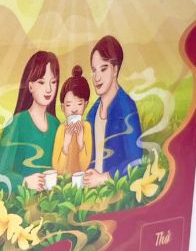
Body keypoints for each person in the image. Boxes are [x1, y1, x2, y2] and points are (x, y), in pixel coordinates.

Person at [0, 51, 60, 192]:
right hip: (21, 202)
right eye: (41, 82)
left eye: (53, 82)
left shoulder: (57, 125)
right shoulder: (16, 124)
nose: (48, 89)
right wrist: (24, 182)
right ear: (30, 86)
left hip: (51, 201)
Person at [82, 35, 142, 187]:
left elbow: (136, 160)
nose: (97, 77)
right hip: (91, 191)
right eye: (94, 70)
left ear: (115, 69)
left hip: (116, 190)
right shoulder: (92, 112)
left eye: (103, 69)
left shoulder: (127, 107)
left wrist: (104, 178)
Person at [52, 65, 93, 178]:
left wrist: (80, 142)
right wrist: (66, 144)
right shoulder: (61, 129)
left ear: (85, 104)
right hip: (63, 181)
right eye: (69, 105)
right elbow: (58, 169)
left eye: (79, 103)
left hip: (81, 181)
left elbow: (84, 166)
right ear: (62, 107)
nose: (74, 109)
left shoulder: (86, 127)